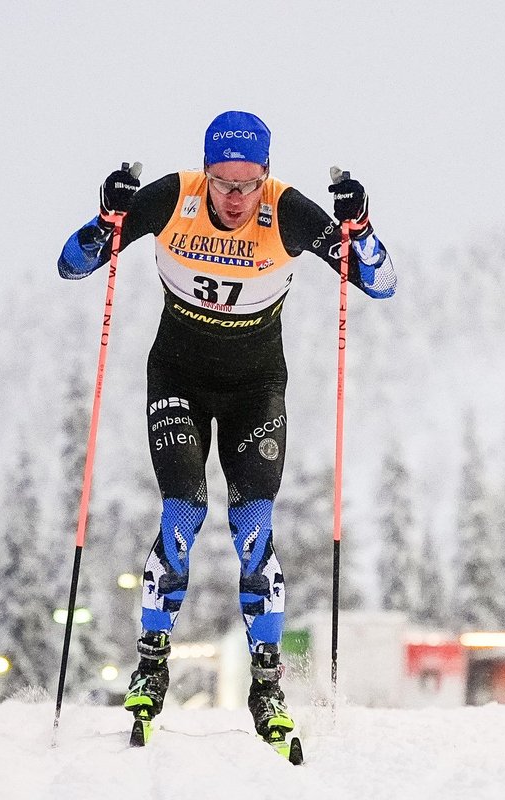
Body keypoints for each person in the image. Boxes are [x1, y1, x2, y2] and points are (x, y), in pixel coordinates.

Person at [57, 110, 397, 751]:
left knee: (253, 527)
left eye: (248, 184)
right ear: (205, 173)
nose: (236, 198)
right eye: (223, 182)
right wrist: (106, 218)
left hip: (255, 390)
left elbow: (381, 283)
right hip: (178, 379)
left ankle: (267, 687)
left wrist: (361, 227)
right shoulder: (172, 197)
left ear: (266, 175)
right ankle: (151, 667)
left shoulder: (287, 211)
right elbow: (72, 265)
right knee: (182, 511)